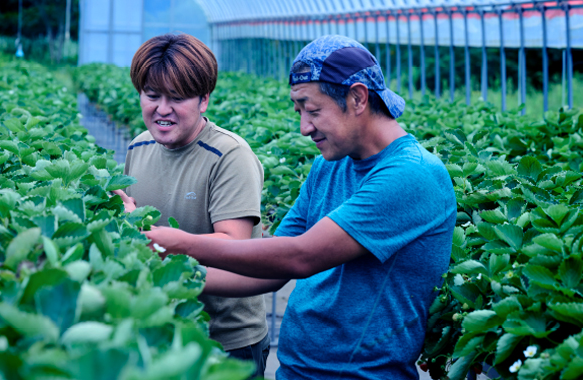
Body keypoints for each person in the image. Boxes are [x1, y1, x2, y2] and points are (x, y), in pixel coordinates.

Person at [134, 35, 456, 380]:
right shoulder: (329, 165)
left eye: (313, 110)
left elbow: (300, 256)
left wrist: (177, 243)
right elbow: (271, 268)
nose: (304, 127)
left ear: (358, 97)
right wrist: (166, 281)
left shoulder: (412, 175)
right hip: (297, 369)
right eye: (299, 111)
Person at [115, 33, 270, 377]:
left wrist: (149, 238)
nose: (162, 109)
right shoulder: (138, 147)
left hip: (225, 342)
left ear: (204, 100)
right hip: (159, 331)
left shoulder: (230, 156)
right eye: (152, 95)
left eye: (178, 97)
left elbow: (236, 247)